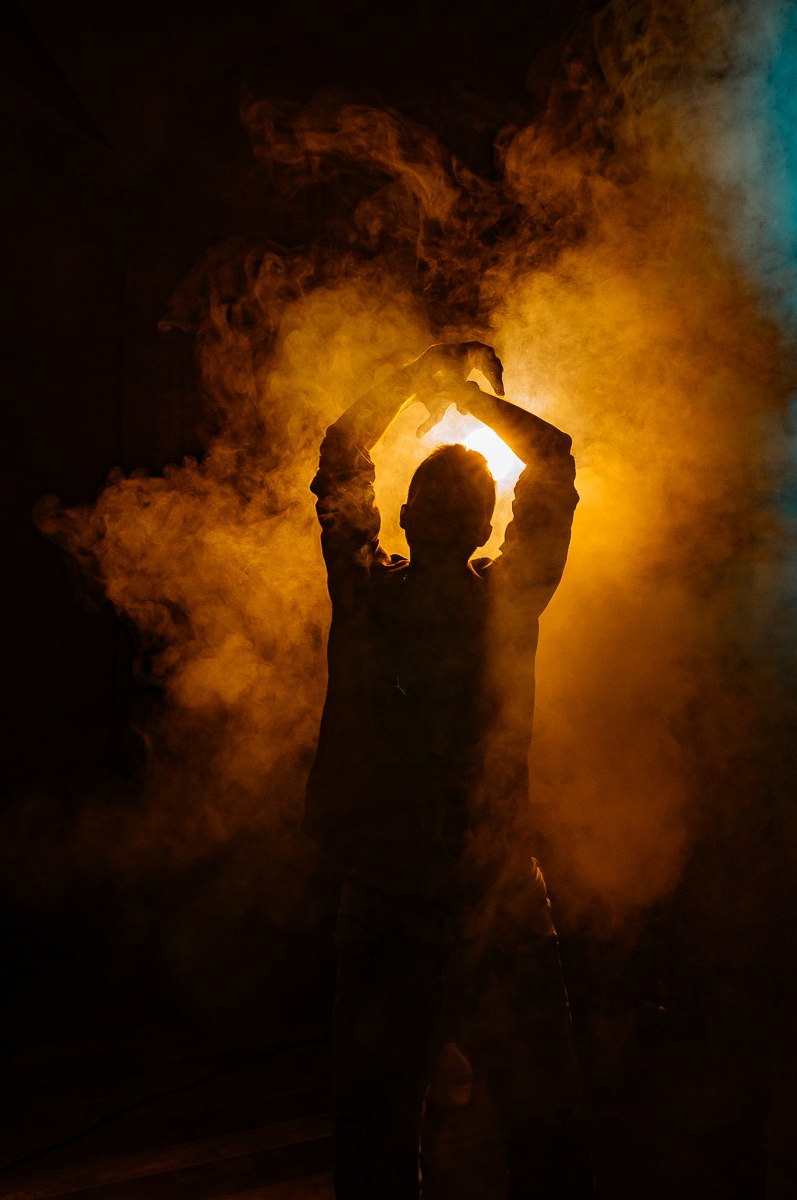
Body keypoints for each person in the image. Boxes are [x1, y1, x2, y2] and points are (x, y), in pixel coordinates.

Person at [305, 342, 593, 1199]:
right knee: (525, 1120)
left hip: (432, 892)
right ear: (481, 524)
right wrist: (461, 397)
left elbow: (338, 458)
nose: (448, 509)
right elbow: (555, 459)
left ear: (407, 513)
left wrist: (424, 385)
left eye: (447, 497)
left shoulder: (369, 595)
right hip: (477, 890)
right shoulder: (504, 604)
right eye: (450, 496)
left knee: (384, 1124)